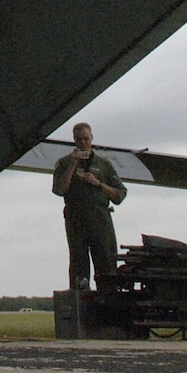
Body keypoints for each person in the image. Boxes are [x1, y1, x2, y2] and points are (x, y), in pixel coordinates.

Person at [50, 122, 126, 292]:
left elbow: (120, 195)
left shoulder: (104, 164)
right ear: (74, 140)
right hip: (76, 219)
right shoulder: (63, 163)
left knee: (106, 261)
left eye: (86, 139)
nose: (83, 143)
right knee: (78, 262)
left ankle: (108, 299)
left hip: (100, 218)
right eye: (79, 139)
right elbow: (59, 190)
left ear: (91, 139)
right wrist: (72, 165)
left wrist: (98, 183)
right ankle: (80, 299)